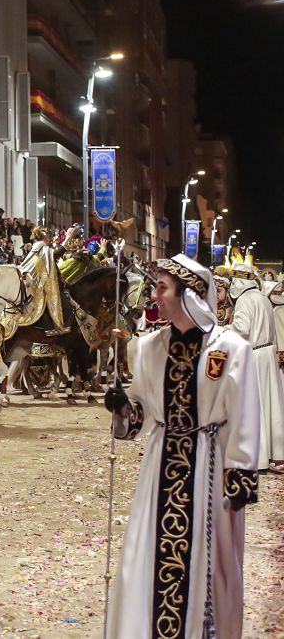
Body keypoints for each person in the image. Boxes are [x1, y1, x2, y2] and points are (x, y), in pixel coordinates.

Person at [104, 254, 259, 639]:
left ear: (189, 295)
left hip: (210, 466)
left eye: (162, 288)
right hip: (160, 469)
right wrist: (123, 409)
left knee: (214, 564)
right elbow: (141, 417)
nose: (154, 295)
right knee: (146, 558)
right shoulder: (146, 349)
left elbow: (244, 414)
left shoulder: (231, 349)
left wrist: (239, 473)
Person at [225, 262, 284, 469]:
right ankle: (274, 453)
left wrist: (224, 330)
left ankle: (256, 457)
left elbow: (242, 329)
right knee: (271, 405)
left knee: (254, 405)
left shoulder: (244, 300)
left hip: (255, 355)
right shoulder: (262, 298)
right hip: (268, 353)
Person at [19, 226, 68, 334]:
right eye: (49, 237)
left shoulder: (39, 248)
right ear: (44, 238)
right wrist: (68, 237)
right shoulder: (41, 248)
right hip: (36, 285)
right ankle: (49, 328)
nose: (50, 240)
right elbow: (56, 254)